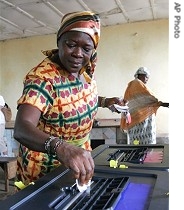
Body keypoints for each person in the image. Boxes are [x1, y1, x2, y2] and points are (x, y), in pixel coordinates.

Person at [14, 11, 124, 187]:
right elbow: (22, 128)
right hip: (45, 169)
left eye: (86, 48)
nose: (78, 54)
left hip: (80, 161)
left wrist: (104, 101)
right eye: (71, 44)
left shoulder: (86, 67)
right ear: (59, 41)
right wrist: (61, 147)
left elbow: (74, 98)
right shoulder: (43, 78)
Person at [120, 67, 169, 145]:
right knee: (142, 142)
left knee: (137, 141)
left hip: (139, 118)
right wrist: (161, 103)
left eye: (148, 77)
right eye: (146, 76)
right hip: (139, 119)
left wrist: (160, 103)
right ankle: (143, 155)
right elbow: (148, 98)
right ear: (139, 75)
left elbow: (144, 100)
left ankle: (140, 154)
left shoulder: (135, 84)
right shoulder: (136, 83)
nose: (147, 79)